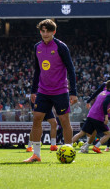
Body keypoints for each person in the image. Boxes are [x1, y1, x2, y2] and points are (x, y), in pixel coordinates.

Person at [25, 18, 78, 163]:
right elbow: (37, 70)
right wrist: (33, 90)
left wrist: (73, 92)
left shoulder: (61, 47)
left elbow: (71, 69)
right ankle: (36, 155)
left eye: (48, 31)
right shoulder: (37, 47)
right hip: (43, 91)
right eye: (42, 31)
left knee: (64, 121)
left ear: (53, 32)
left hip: (60, 91)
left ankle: (69, 152)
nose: (45, 34)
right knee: (36, 119)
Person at [79, 81, 110, 154]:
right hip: (98, 117)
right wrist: (106, 117)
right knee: (108, 134)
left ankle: (83, 148)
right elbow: (104, 104)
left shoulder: (102, 93)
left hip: (91, 114)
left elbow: (97, 99)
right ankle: (96, 147)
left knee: (90, 133)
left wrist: (89, 101)